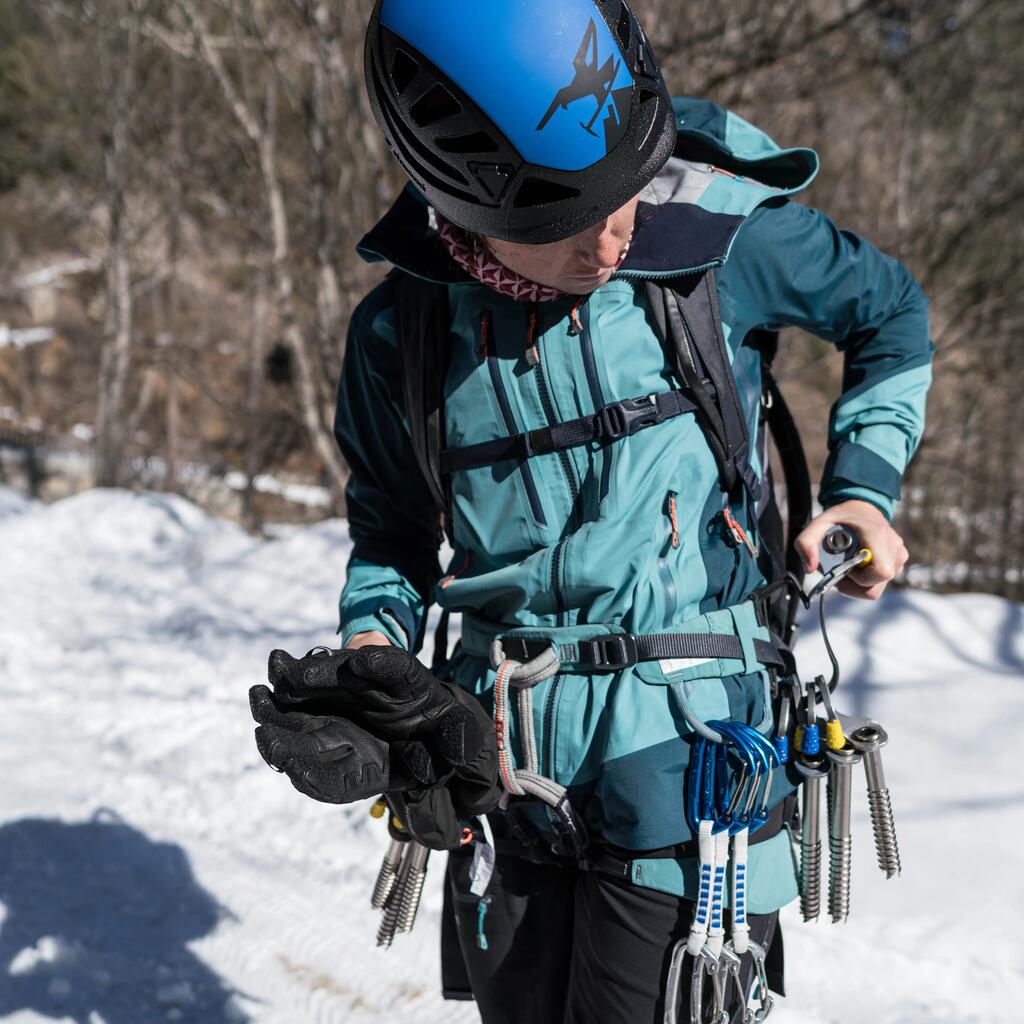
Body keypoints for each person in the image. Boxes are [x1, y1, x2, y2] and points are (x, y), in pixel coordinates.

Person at [306, 2, 931, 1021]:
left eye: (626, 191)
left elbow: (890, 313)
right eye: (565, 222)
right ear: (468, 209)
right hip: (502, 761)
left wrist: (862, 484)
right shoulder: (401, 332)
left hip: (690, 751)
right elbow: (389, 532)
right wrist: (373, 664)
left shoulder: (715, 237)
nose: (612, 238)